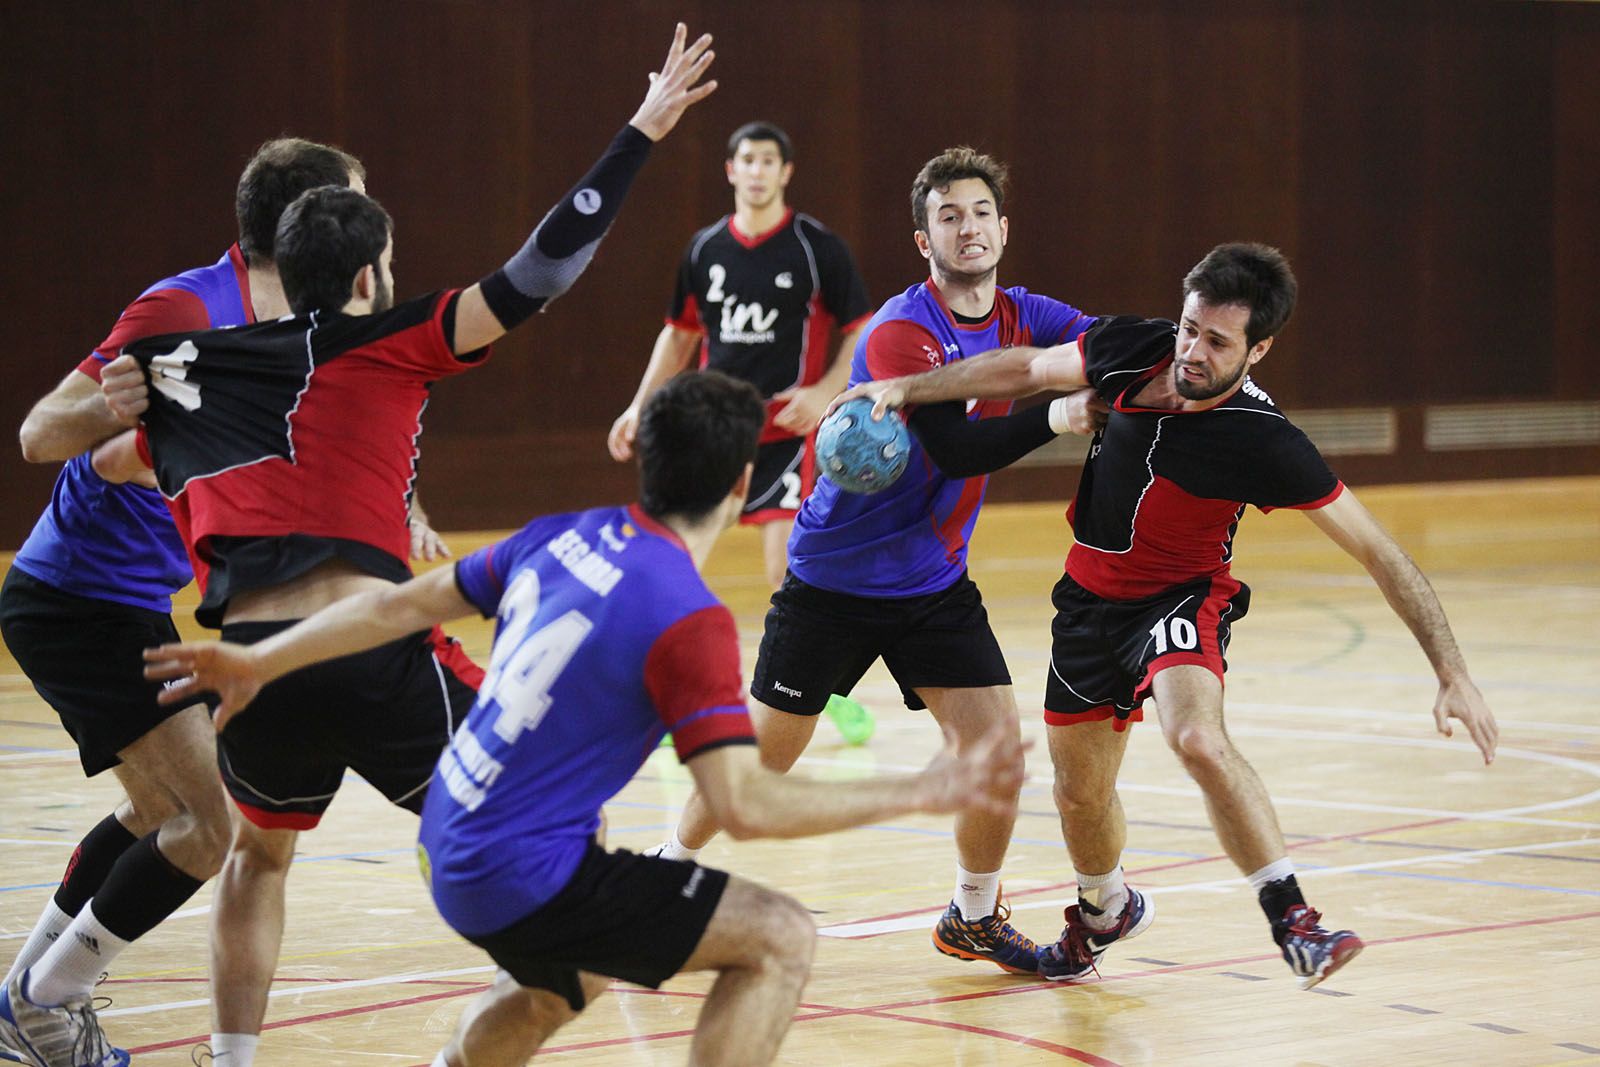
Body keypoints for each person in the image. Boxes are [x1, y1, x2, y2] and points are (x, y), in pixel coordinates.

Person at [6, 26, 716, 1067]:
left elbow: (121, 458)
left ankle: (214, 1053)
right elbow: (544, 267)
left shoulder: (200, 369)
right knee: (554, 821)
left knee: (248, 854)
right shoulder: (394, 342)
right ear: (373, 271)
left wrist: (146, 399)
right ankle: (504, 1016)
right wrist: (640, 131)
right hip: (361, 649)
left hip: (258, 668)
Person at [142, 371, 1028, 1067]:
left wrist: (260, 657)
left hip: (449, 830)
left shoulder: (557, 533)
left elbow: (396, 604)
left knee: (572, 975)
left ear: (644, 455)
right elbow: (745, 801)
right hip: (515, 869)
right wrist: (922, 789)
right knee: (778, 936)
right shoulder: (686, 614)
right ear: (743, 484)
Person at [834, 241, 1500, 988]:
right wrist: (908, 387)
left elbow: (1380, 550)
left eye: (1217, 342)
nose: (1192, 351)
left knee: (1197, 737)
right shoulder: (1133, 348)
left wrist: (1452, 671)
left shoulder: (1264, 440)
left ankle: (1296, 921)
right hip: (1087, 602)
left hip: (1180, 597)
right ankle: (1102, 911)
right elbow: (1026, 368)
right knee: (1079, 793)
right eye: (1189, 328)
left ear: (1258, 350)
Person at [0, 135, 412, 1067]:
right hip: (75, 597)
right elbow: (39, 433)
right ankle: (42, 1000)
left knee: (160, 808)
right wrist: (122, 401)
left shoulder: (308, 328)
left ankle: (27, 996)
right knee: (210, 822)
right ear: (308, 221)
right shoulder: (188, 308)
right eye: (357, 198)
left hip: (129, 600)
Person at [649, 146, 1105, 976]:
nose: (968, 228)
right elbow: (959, 448)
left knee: (994, 749)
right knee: (764, 760)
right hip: (833, 581)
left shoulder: (1024, 314)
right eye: (948, 217)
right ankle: (665, 870)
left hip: (932, 583)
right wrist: (1061, 415)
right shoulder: (901, 331)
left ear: (1004, 229)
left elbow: (1102, 342)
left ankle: (973, 915)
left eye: (980, 213)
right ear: (925, 241)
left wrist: (1176, 354)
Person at [607, 121, 877, 746]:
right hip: (715, 431)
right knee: (677, 560)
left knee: (789, 572)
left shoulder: (816, 248)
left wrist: (825, 390)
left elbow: (860, 328)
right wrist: (638, 405)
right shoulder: (704, 250)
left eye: (768, 161)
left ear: (786, 172)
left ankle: (820, 694)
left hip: (785, 431)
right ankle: (668, 696)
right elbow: (680, 334)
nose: (757, 171)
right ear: (731, 171)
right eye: (746, 160)